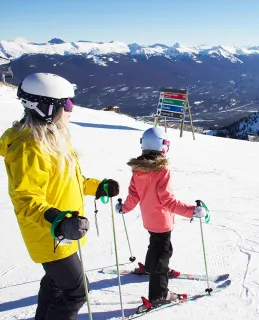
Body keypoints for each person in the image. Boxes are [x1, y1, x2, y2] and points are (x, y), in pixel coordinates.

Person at [0, 73, 120, 320]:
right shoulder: (30, 148)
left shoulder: (51, 138)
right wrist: (58, 220)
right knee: (77, 292)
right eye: (66, 104)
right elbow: (25, 199)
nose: (71, 109)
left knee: (55, 283)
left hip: (61, 232)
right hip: (49, 235)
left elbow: (70, 181)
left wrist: (98, 187)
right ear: (46, 107)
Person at [115, 127, 206, 307]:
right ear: (163, 146)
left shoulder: (138, 170)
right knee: (163, 253)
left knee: (155, 244)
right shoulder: (161, 170)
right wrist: (192, 211)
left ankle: (150, 267)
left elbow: (134, 196)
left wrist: (124, 208)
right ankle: (159, 294)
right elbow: (167, 201)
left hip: (149, 220)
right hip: (162, 222)